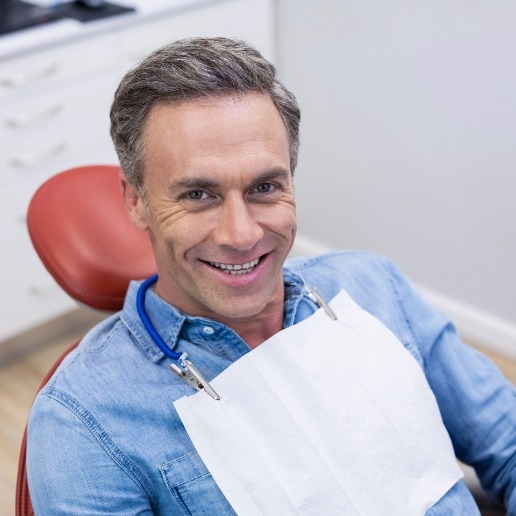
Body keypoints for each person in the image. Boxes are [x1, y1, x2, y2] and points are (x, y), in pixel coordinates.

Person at [26, 37, 516, 515]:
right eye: (198, 194)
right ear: (136, 200)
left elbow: (508, 442)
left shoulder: (371, 286)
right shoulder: (84, 420)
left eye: (264, 187)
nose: (241, 234)